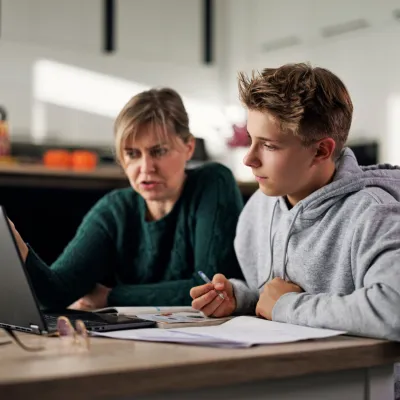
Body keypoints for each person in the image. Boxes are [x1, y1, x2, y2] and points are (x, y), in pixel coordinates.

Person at [190, 63, 400, 341]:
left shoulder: (374, 214)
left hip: (362, 383)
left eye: (269, 145)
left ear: (321, 151)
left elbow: (393, 310)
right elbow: (274, 298)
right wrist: (243, 298)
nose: (248, 158)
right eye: (251, 139)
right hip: (287, 372)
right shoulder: (259, 207)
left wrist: (286, 306)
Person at [10, 88, 244, 310]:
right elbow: (56, 293)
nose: (145, 167)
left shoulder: (213, 182)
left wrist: (112, 296)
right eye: (132, 154)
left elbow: (212, 290)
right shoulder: (114, 210)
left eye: (159, 151)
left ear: (189, 147)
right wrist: (16, 246)